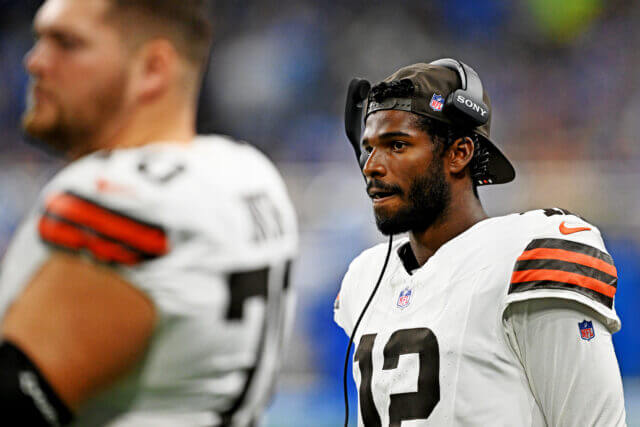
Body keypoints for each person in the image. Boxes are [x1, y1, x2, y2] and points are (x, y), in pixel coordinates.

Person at [0, 0, 298, 425]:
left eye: (66, 43)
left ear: (153, 67)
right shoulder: (249, 173)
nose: (34, 62)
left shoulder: (115, 199)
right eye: (38, 39)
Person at [334, 60, 626, 426]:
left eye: (396, 145)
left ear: (459, 153)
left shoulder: (523, 256)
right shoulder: (365, 276)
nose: (371, 166)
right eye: (368, 148)